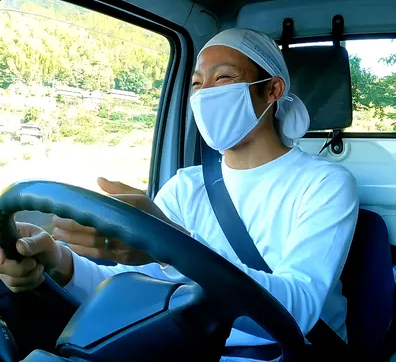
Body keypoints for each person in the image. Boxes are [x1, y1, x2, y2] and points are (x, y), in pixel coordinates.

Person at [0, 28, 360, 359]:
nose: (205, 94)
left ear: (272, 90)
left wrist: (175, 246)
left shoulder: (325, 184)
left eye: (223, 78)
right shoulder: (185, 186)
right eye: (197, 83)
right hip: (183, 347)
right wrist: (59, 260)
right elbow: (130, 291)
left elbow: (299, 311)